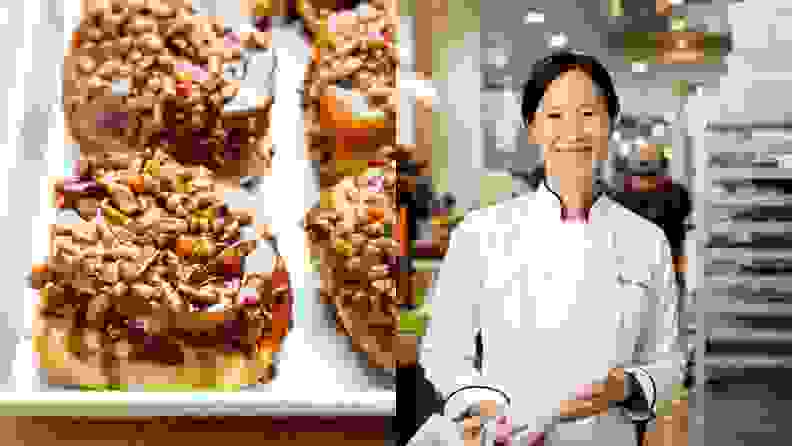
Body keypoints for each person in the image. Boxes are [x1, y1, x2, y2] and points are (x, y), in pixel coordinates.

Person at [413, 50, 683, 445]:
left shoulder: (646, 240)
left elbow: (669, 361)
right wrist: (483, 405)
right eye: (555, 116)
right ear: (532, 128)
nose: (572, 131)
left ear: (610, 124)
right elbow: (443, 352)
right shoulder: (481, 232)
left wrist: (626, 385)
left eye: (588, 114)